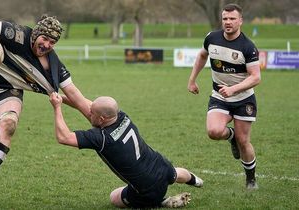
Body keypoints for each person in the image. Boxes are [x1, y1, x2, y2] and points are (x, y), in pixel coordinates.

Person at [0, 15, 92, 204]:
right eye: (45, 38)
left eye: (52, 42)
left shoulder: (54, 69)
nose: (47, 45)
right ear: (36, 34)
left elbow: (75, 96)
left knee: (8, 125)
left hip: (9, 92)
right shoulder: (17, 35)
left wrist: (99, 118)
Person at [49, 94, 203, 209]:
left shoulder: (101, 138)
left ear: (102, 119)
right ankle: (196, 181)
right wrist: (60, 98)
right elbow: (84, 104)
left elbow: (64, 137)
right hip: (162, 165)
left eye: (92, 113)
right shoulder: (122, 116)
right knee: (175, 173)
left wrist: (57, 107)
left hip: (147, 189)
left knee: (114, 197)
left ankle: (163, 201)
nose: (89, 113)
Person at [187, 3, 261, 190]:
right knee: (213, 132)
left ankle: (251, 179)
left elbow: (256, 77)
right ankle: (231, 136)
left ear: (240, 21)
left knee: (244, 143)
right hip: (220, 96)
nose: (228, 22)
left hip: (243, 99)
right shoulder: (211, 38)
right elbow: (202, 56)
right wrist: (192, 80)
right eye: (225, 19)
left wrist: (234, 89)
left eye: (232, 19)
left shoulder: (248, 47)